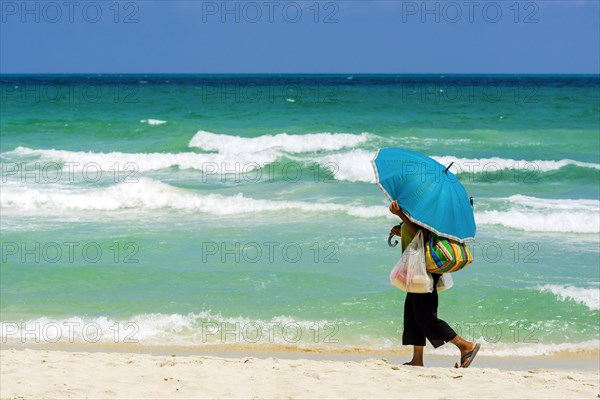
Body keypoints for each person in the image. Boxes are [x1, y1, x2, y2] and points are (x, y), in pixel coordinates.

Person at [389, 200, 480, 368]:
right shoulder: (421, 204)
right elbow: (419, 233)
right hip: (417, 264)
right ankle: (417, 359)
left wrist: (400, 215)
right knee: (412, 310)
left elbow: (423, 235)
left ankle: (465, 346)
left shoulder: (427, 205)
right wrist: (402, 229)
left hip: (425, 265)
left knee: (425, 315)